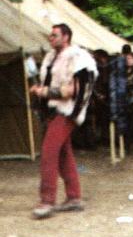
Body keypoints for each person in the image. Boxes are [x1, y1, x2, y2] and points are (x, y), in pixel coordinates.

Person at [29, 23, 97, 219]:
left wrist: (43, 91)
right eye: (50, 35)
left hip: (67, 111)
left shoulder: (78, 58)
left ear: (66, 37)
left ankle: (47, 201)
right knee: (63, 154)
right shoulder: (51, 57)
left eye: (55, 35)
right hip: (54, 111)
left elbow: (73, 91)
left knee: (49, 152)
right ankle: (74, 197)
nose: (51, 38)